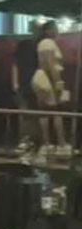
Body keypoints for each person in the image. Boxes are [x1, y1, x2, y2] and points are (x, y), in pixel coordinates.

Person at [30, 20, 71, 156]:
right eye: (55, 28)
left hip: (40, 77)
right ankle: (61, 144)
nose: (58, 30)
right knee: (56, 111)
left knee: (44, 112)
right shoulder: (48, 43)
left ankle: (47, 144)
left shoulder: (42, 43)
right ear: (49, 30)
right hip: (47, 79)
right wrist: (58, 82)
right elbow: (51, 65)